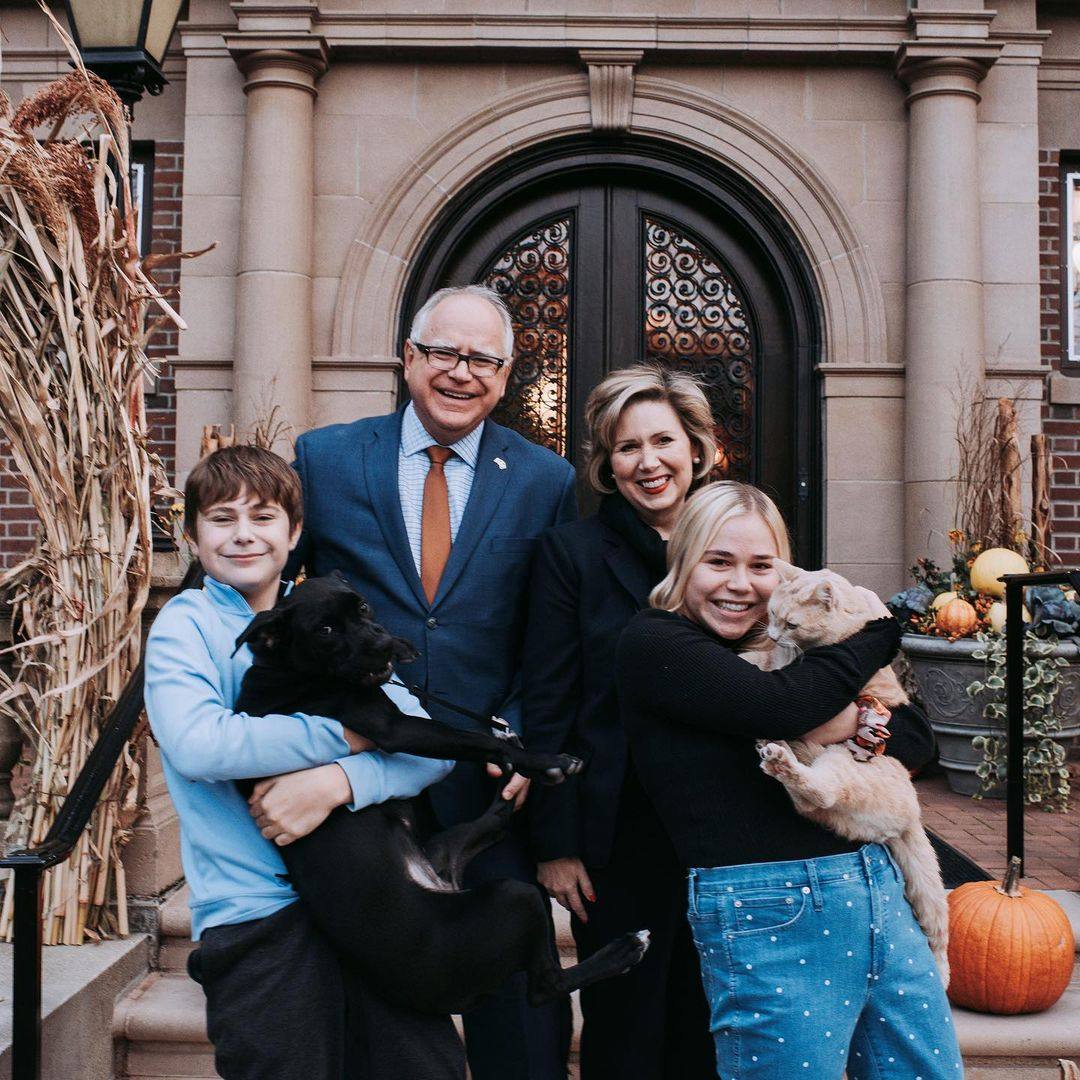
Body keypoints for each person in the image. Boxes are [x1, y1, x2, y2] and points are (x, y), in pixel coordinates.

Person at [289, 285, 577, 1080]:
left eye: (482, 358)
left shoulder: (545, 480)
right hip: (361, 783)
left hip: (485, 783)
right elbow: (275, 604)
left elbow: (548, 633)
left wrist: (518, 733)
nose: (461, 371)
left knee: (519, 1016)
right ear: (408, 359)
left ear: (507, 372)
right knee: (376, 1015)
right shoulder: (325, 458)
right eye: (444, 352)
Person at [615, 481, 960, 1080]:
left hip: (877, 886)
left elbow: (916, 740)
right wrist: (879, 633)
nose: (740, 583)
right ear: (684, 557)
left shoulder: (790, 646)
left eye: (760, 566)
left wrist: (858, 718)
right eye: (718, 561)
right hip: (768, 907)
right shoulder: (655, 642)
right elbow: (777, 709)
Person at [144, 445, 464, 1080]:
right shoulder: (188, 624)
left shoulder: (327, 613)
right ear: (192, 536)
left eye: (262, 517)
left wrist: (338, 782)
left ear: (293, 533)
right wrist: (352, 735)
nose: (242, 534)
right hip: (259, 915)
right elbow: (201, 744)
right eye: (221, 517)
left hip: (371, 903)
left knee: (423, 1067)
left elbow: (431, 748)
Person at [522, 363, 717, 1078]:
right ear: (607, 465)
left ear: (696, 447)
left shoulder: (735, 548)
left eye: (663, 441)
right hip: (614, 836)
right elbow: (548, 701)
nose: (648, 462)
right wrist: (555, 843)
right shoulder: (571, 555)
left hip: (722, 827)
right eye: (626, 448)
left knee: (709, 1021)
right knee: (625, 1029)